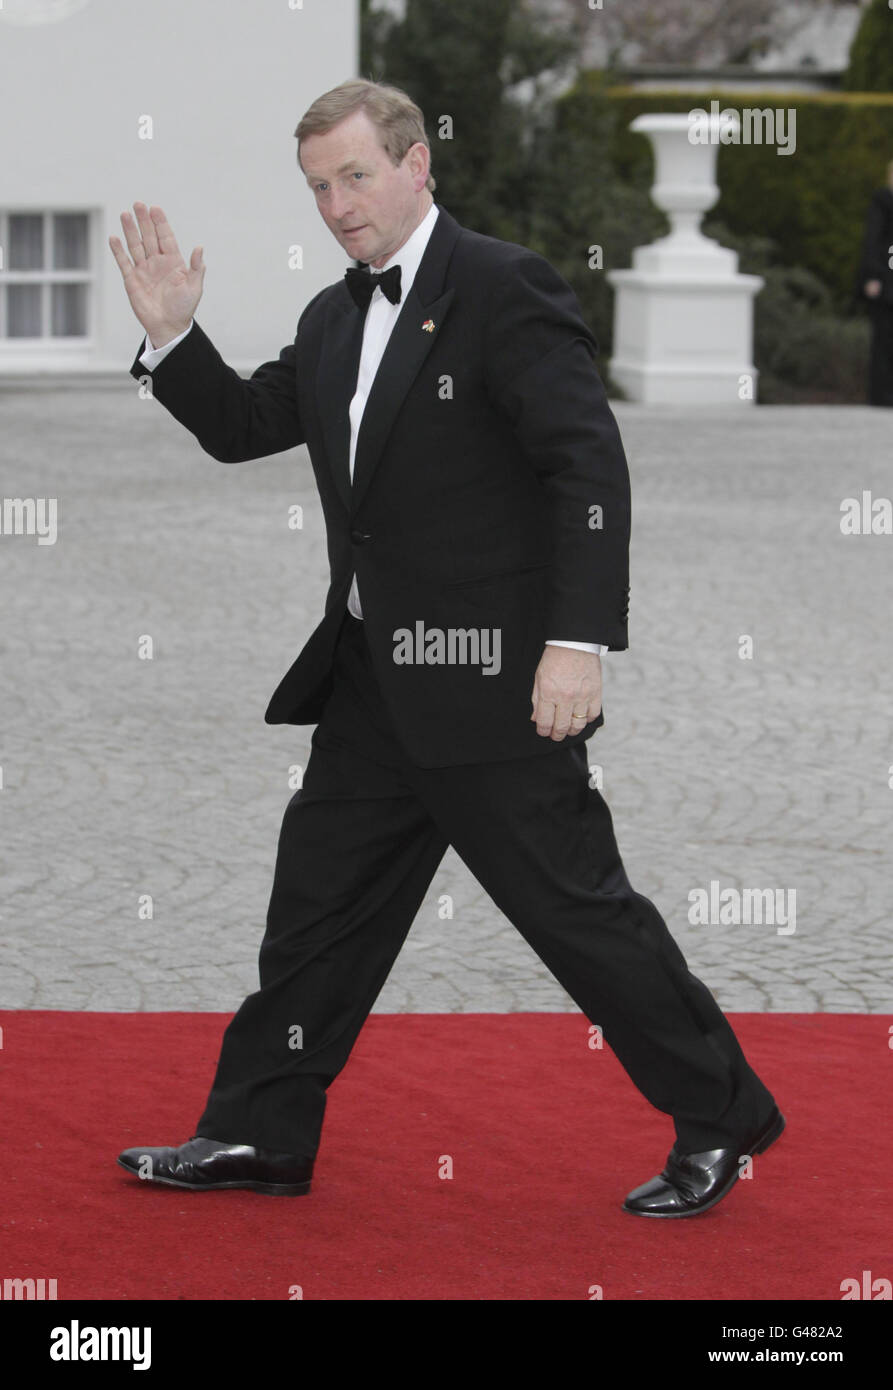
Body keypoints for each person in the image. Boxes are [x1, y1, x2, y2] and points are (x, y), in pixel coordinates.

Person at [109, 78, 783, 1217]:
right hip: (373, 687)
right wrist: (173, 333)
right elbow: (241, 428)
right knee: (313, 920)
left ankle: (719, 1119)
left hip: (494, 690)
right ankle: (257, 1135)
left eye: (356, 175)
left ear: (419, 165)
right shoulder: (333, 320)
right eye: (318, 186)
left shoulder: (503, 287)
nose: (336, 203)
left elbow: (585, 467)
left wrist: (575, 643)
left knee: (580, 918)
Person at [855, 159, 893, 407]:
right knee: (884, 339)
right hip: (886, 282)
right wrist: (871, 276)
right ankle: (882, 396)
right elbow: (872, 240)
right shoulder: (883, 201)